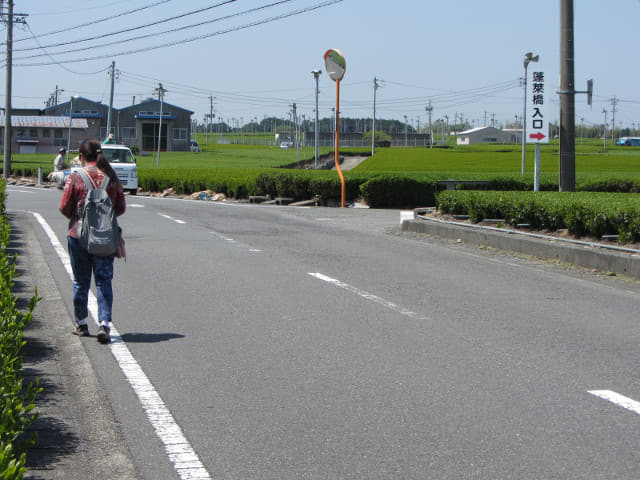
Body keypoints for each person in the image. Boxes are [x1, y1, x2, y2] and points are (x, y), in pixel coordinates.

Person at [59, 138, 126, 344]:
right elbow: (121, 208)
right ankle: (104, 323)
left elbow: (64, 207)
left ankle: (80, 323)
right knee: (104, 280)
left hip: (78, 236)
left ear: (81, 156)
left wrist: (79, 218)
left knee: (81, 281)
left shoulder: (75, 177)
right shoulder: (111, 177)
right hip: (105, 238)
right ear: (99, 154)